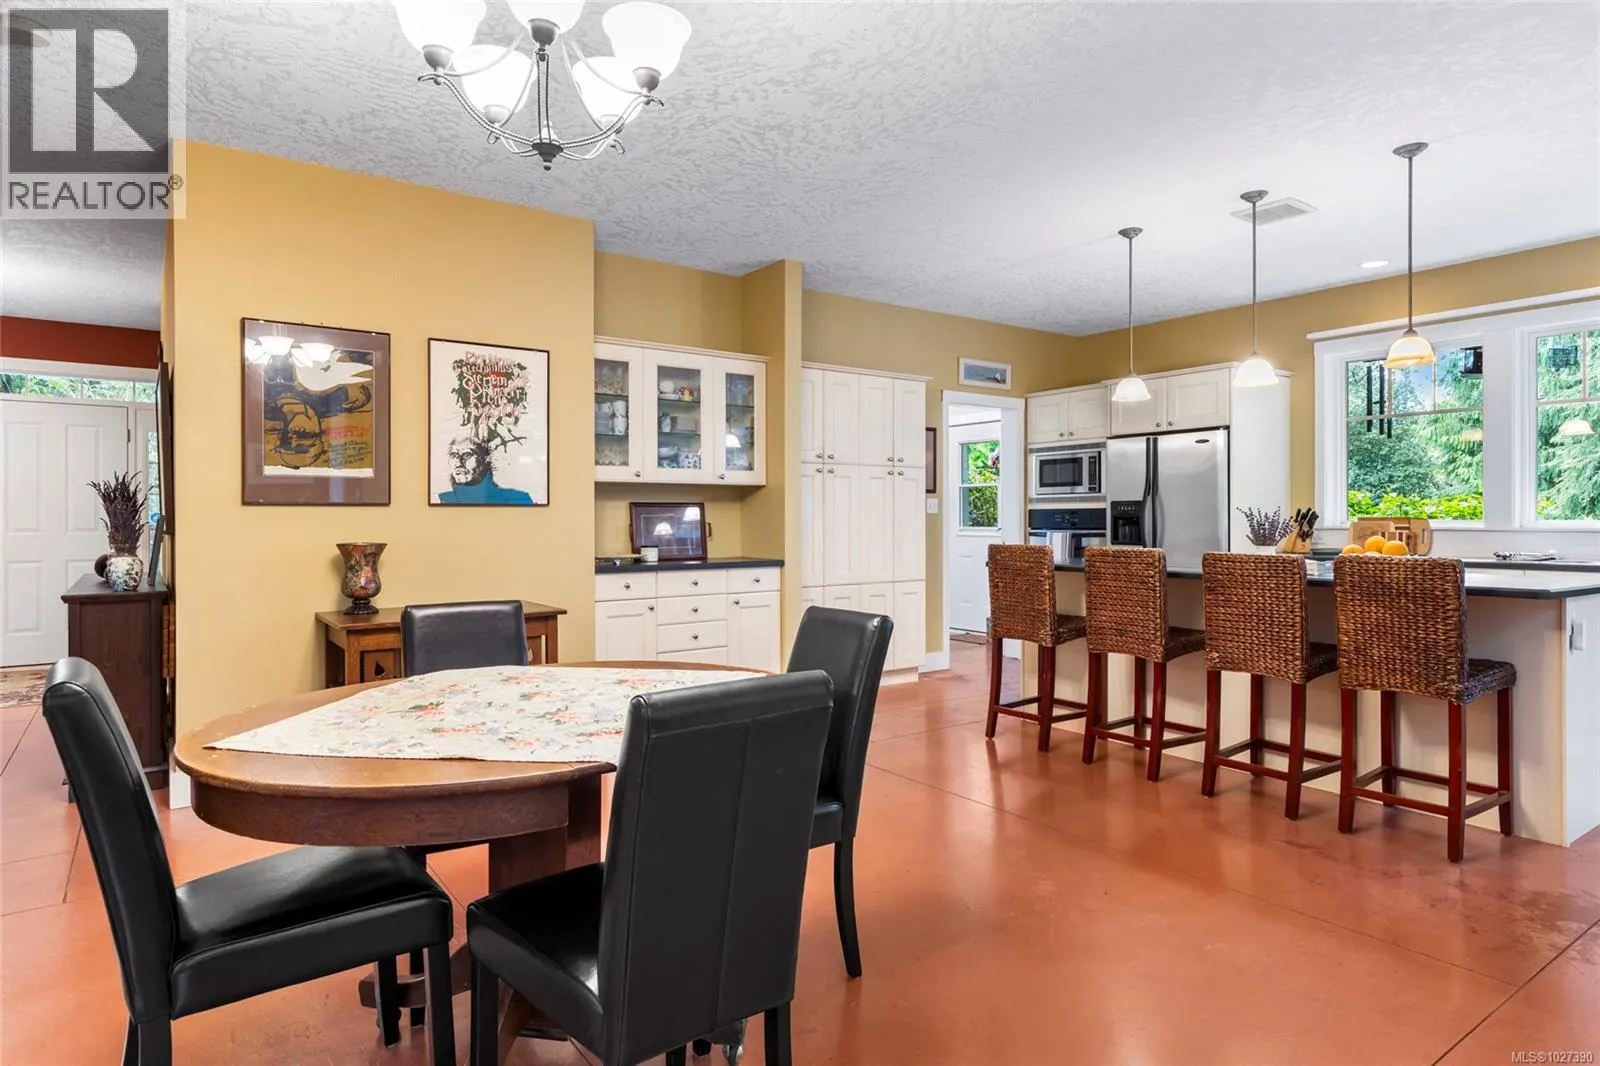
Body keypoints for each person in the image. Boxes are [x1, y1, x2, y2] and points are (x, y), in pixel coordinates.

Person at [436, 434, 532, 505]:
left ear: (485, 458)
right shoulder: (442, 499)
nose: (458, 463)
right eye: (454, 456)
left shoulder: (517, 499)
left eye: (467, 455)